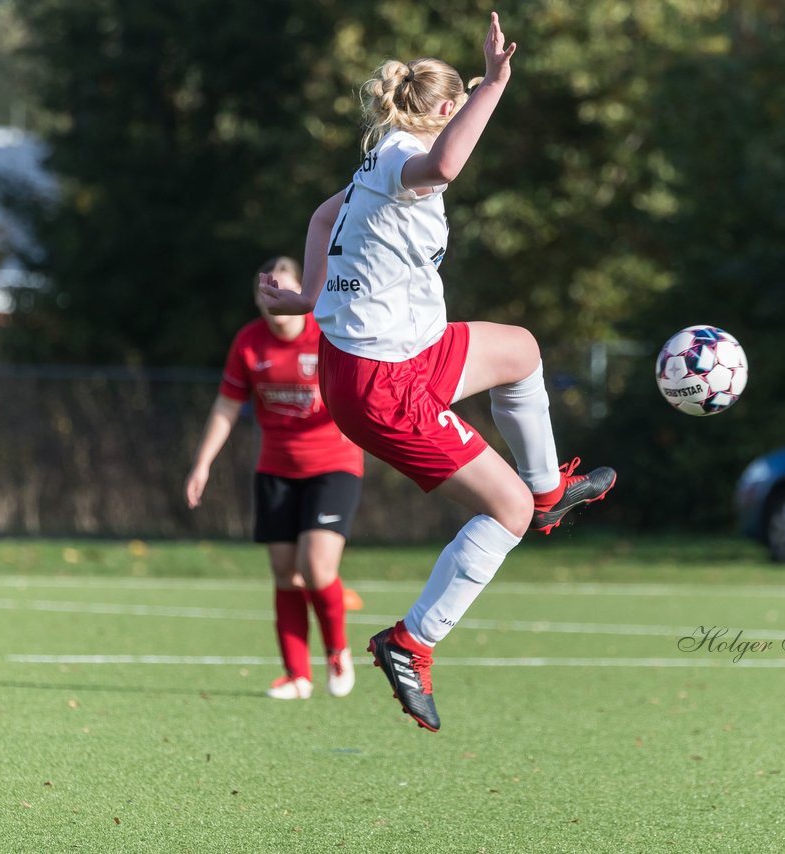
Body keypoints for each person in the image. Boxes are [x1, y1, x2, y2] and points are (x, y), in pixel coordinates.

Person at [259, 12, 616, 732]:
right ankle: (411, 641)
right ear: (448, 109)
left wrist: (309, 295)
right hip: (382, 385)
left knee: (520, 349)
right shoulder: (400, 161)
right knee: (503, 511)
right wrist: (496, 86)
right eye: (463, 107)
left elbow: (324, 219)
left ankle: (548, 490)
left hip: (390, 359)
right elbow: (446, 164)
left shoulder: (375, 165)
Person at [186, 256, 365, 701]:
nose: (273, 300)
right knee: (285, 572)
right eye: (265, 293)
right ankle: (297, 676)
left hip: (333, 465)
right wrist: (203, 463)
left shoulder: (327, 332)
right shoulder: (249, 343)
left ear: (300, 292)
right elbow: (227, 407)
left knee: (316, 566)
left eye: (280, 289)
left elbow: (362, 385)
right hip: (276, 469)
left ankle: (338, 650)